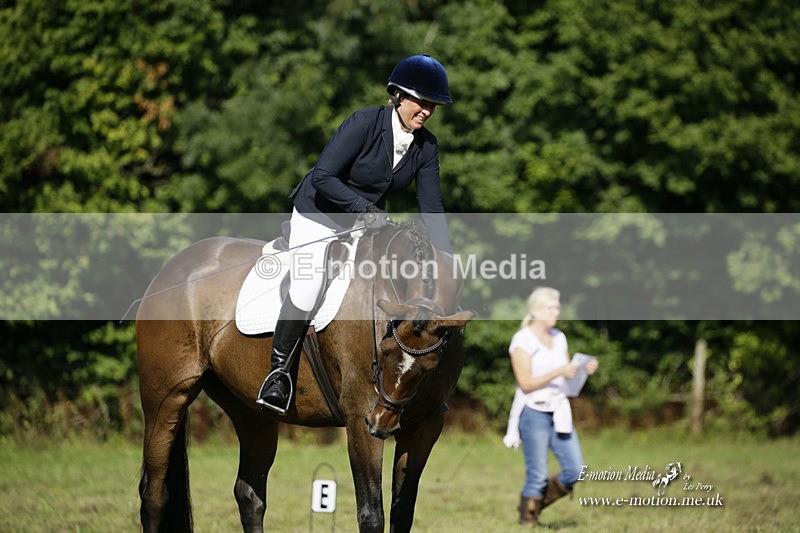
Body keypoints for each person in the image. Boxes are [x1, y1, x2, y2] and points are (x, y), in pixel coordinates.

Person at [256, 54, 454, 413]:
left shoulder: (427, 146)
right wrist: (364, 210)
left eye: (432, 106)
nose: (426, 111)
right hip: (320, 214)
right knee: (309, 283)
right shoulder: (364, 123)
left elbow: (432, 207)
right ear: (398, 96)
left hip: (365, 225)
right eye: (420, 102)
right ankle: (278, 376)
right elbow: (323, 176)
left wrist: (446, 258)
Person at [503, 287, 599, 526]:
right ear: (535, 311)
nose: (557, 311)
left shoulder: (559, 337)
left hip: (558, 410)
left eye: (557, 307)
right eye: (551, 307)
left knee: (575, 470)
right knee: (536, 475)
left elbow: (566, 378)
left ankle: (534, 505)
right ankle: (528, 521)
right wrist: (559, 371)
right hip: (533, 412)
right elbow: (525, 383)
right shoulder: (522, 339)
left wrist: (582, 369)